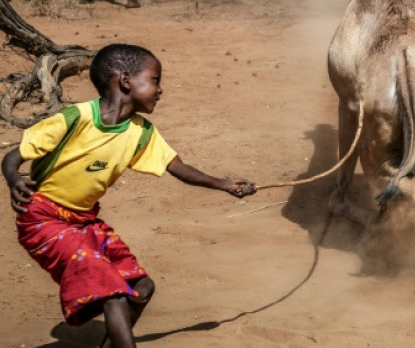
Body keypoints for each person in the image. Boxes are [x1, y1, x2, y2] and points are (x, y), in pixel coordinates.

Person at [2, 43, 256, 348]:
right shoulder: (76, 117)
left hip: (84, 222)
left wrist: (225, 183)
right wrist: (13, 178)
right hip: (44, 220)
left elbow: (178, 168)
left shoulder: (141, 132)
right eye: (155, 80)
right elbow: (14, 155)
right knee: (114, 293)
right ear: (125, 80)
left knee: (142, 288)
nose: (160, 90)